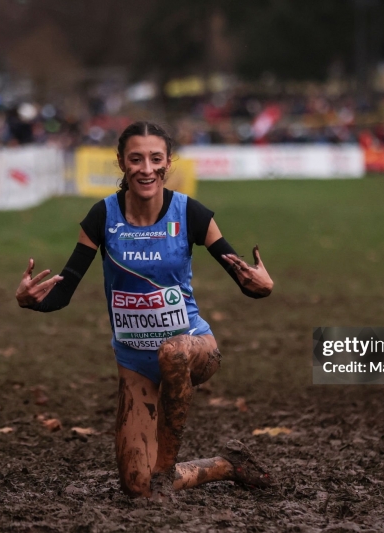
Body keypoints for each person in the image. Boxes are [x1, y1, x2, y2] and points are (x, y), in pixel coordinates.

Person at [15, 121, 274, 499]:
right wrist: (33, 300)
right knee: (138, 488)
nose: (146, 168)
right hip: (135, 363)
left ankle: (166, 467)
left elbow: (241, 274)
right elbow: (64, 289)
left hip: (193, 349)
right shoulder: (102, 217)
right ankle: (226, 465)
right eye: (136, 159)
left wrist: (261, 287)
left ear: (168, 162)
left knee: (173, 352)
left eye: (156, 159)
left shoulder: (191, 213)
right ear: (121, 162)